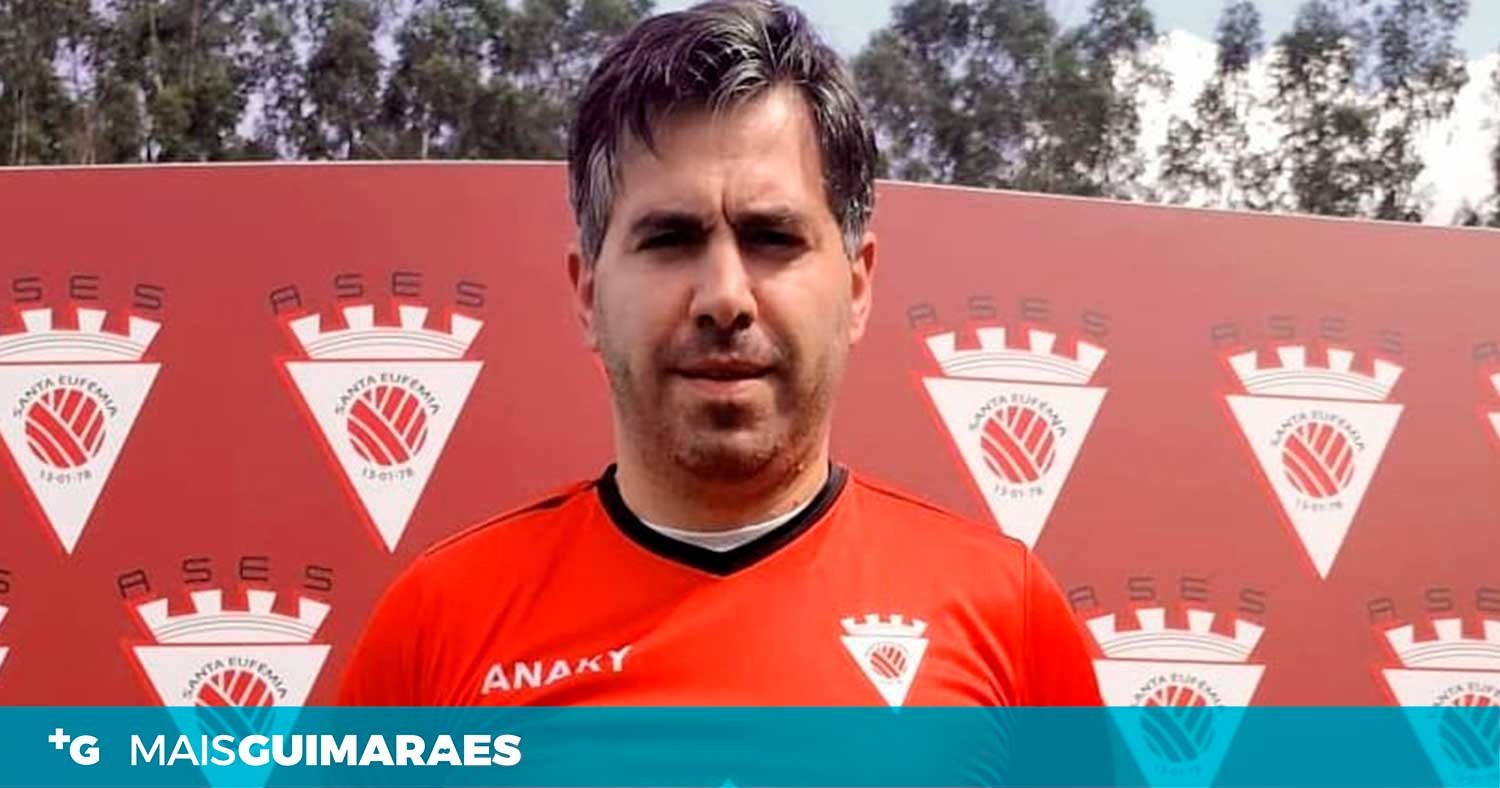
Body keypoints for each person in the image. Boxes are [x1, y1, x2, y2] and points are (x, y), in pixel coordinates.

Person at [337, 0, 1102, 710]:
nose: (724, 297)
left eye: (773, 237)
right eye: (670, 239)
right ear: (588, 294)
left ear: (857, 285)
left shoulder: (1009, 616)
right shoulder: (434, 624)